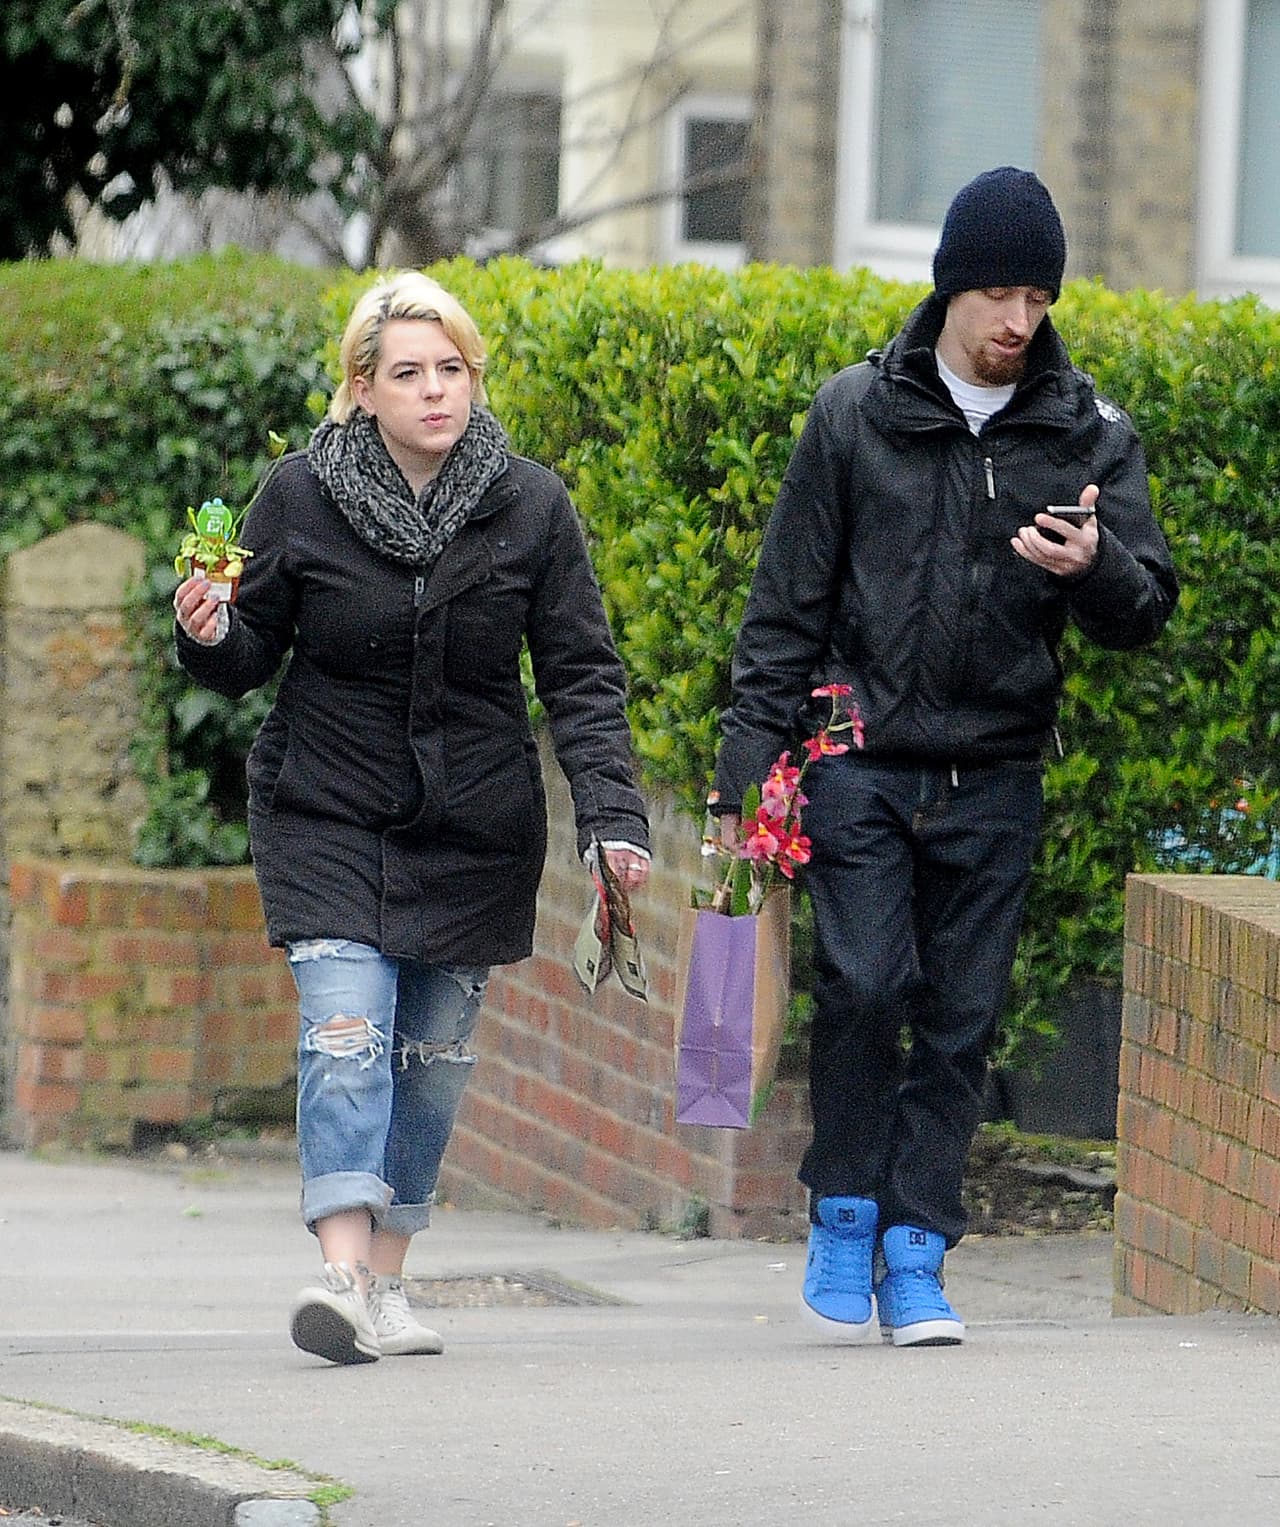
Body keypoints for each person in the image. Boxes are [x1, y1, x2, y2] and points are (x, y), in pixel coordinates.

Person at [711, 167, 1177, 1347]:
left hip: (996, 773)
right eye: (994, 294)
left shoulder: (1083, 431)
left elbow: (1145, 605)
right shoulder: (853, 414)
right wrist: (738, 781)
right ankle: (846, 1207)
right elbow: (781, 613)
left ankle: (916, 1251)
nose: (1016, 321)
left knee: (961, 1018)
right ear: (948, 290)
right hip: (859, 763)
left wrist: (1093, 571)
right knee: (864, 987)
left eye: (1035, 295)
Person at [174, 271, 650, 1365]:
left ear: (474, 380)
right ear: (361, 389)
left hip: (474, 829)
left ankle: (386, 1280)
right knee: (346, 1036)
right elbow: (248, 657)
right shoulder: (297, 496)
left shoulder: (530, 506)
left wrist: (610, 818)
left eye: (452, 370)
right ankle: (340, 1277)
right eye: (408, 373)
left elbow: (580, 674)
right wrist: (207, 628)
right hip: (325, 812)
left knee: (429, 1059)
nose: (435, 391)